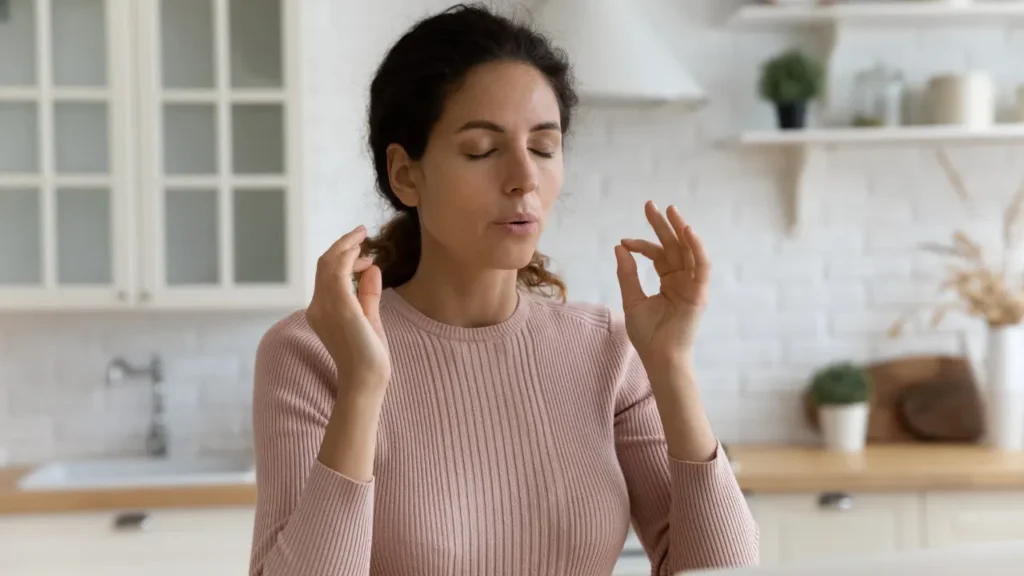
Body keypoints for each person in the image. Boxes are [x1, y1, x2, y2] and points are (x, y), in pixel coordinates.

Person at [247, 4, 758, 576]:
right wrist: (363, 387)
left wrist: (672, 366)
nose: (524, 178)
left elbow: (720, 569)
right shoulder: (313, 352)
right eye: (482, 151)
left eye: (543, 147)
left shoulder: (605, 352)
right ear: (405, 174)